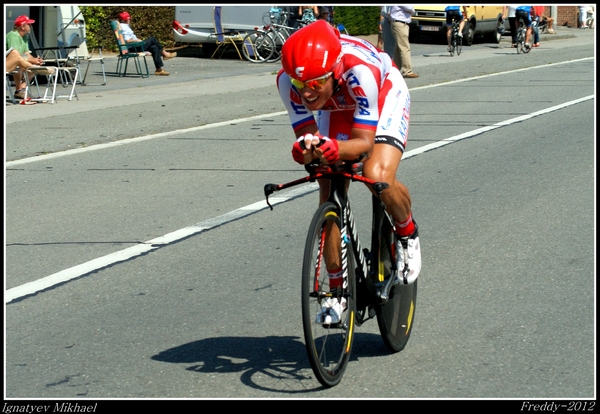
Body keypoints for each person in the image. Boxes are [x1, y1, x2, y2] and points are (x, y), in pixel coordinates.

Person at [277, 20, 421, 324]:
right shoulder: (289, 83)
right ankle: (337, 291)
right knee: (328, 185)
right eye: (300, 85)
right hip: (337, 105)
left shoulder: (359, 72)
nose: (307, 93)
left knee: (376, 175)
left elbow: (364, 143)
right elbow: (309, 137)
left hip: (382, 94)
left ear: (333, 70)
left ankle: (407, 232)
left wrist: (337, 150)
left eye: (315, 83)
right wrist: (308, 151)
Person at [118, 11, 176, 76]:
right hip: (132, 47)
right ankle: (165, 54)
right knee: (152, 39)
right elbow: (128, 40)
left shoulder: (125, 26)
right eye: (129, 19)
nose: (129, 20)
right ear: (125, 20)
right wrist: (137, 40)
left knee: (154, 47)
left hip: (134, 46)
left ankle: (159, 70)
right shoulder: (124, 27)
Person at [6, 15, 44, 99]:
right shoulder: (13, 35)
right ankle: (19, 88)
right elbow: (14, 55)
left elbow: (26, 53)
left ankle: (21, 90)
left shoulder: (25, 37)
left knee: (32, 66)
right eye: (29, 25)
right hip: (9, 62)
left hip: (16, 61)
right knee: (19, 62)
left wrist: (34, 59)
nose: (31, 27)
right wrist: (31, 60)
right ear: (23, 27)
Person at [388, 6, 419, 78]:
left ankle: (395, 69)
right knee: (404, 47)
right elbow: (409, 8)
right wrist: (412, 11)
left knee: (398, 48)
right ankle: (407, 71)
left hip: (399, 22)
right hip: (400, 23)